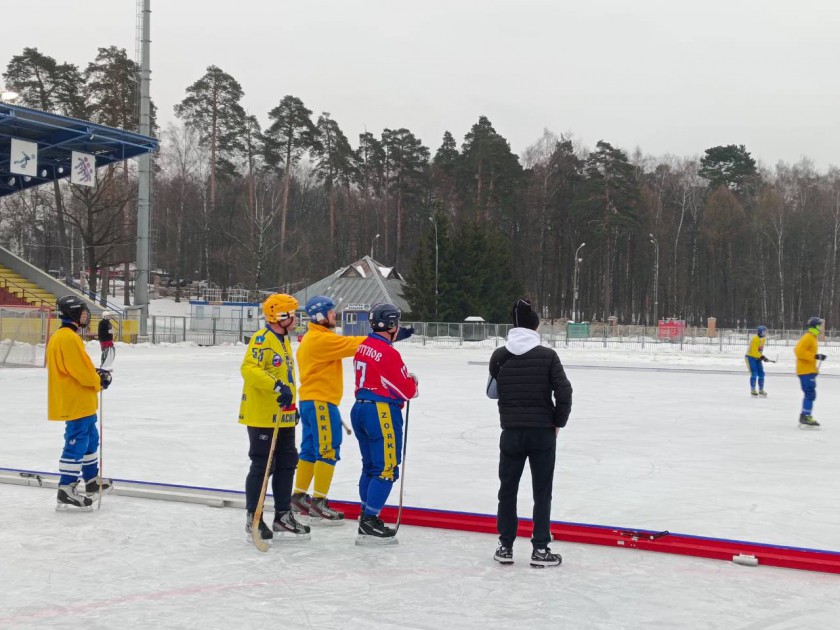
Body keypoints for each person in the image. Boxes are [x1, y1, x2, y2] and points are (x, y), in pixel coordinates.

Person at [487, 298, 572, 568]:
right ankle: (540, 548)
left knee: (507, 489)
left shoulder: (499, 356)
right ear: (534, 327)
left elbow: (491, 392)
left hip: (511, 432)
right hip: (542, 432)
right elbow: (565, 391)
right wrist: (558, 421)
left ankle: (505, 546)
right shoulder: (547, 356)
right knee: (542, 491)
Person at [239, 293, 310, 542]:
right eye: (293, 314)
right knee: (262, 464)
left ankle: (282, 515)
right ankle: (254, 516)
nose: (297, 319)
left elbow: (285, 375)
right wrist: (277, 387)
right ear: (280, 316)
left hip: (283, 415)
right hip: (263, 416)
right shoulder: (263, 339)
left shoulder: (283, 340)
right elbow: (249, 369)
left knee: (287, 463)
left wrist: (291, 404)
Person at [291, 296, 366, 524]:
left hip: (310, 402)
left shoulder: (315, 338)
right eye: (331, 312)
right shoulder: (320, 339)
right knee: (328, 450)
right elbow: (354, 345)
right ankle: (319, 502)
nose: (335, 316)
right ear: (320, 316)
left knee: (309, 450)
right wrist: (383, 338)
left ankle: (299, 496)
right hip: (321, 402)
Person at [350, 303, 418, 544]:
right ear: (391, 324)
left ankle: (366, 515)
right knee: (386, 468)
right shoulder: (388, 353)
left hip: (359, 407)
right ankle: (370, 519)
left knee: (369, 466)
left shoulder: (364, 346)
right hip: (380, 412)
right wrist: (413, 382)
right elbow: (406, 390)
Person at [47, 295, 113, 510]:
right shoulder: (67, 338)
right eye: (83, 311)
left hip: (82, 400)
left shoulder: (67, 336)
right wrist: (98, 380)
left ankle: (92, 480)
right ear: (74, 313)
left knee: (90, 439)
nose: (86, 315)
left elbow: (79, 368)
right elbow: (79, 371)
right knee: (76, 441)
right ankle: (66, 488)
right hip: (75, 400)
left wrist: (95, 375)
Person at [794, 316, 826, 429]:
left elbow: (809, 355)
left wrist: (815, 369)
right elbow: (798, 351)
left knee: (811, 394)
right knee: (809, 393)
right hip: (804, 371)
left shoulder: (813, 338)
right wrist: (815, 356)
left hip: (809, 371)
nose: (821, 328)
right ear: (814, 326)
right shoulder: (807, 337)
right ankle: (806, 416)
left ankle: (805, 415)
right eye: (819, 325)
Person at [745, 325, 770, 397]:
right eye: (764, 332)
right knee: (754, 373)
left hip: (757, 357)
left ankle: (761, 390)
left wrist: (762, 356)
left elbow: (760, 350)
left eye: (766, 332)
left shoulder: (763, 339)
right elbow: (753, 351)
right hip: (750, 357)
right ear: (760, 332)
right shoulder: (755, 339)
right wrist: (762, 357)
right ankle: (753, 389)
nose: (765, 333)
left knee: (761, 373)